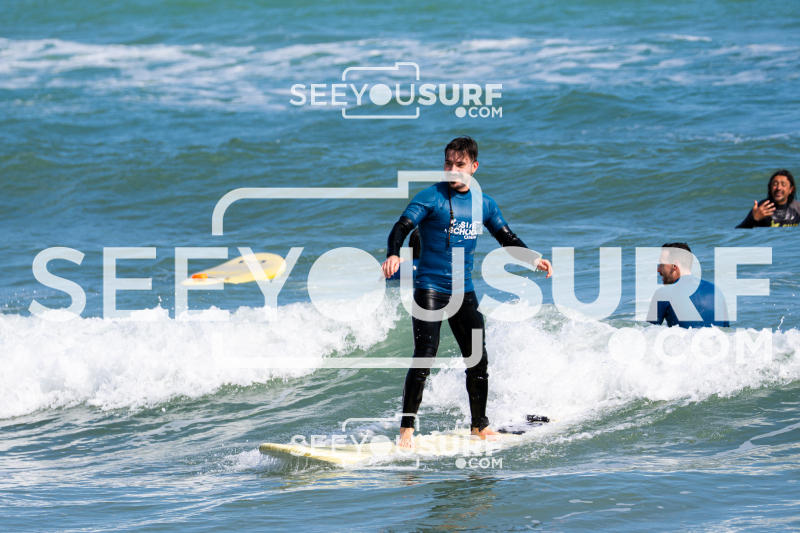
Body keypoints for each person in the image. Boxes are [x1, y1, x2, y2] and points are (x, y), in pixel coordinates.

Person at [381, 136, 553, 449]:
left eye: (459, 164)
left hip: (464, 291)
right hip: (430, 288)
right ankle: (406, 429)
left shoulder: (484, 204)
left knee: (477, 359)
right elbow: (402, 226)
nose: (452, 170)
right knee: (424, 356)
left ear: (474, 167)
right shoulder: (431, 197)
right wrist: (394, 253)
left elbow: (506, 237)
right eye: (448, 163)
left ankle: (479, 426)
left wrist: (533, 259)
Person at [647, 243, 730, 328]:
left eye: (662, 264)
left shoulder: (663, 294)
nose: (658, 269)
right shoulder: (717, 291)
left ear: (674, 265)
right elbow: (727, 331)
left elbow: (648, 332)